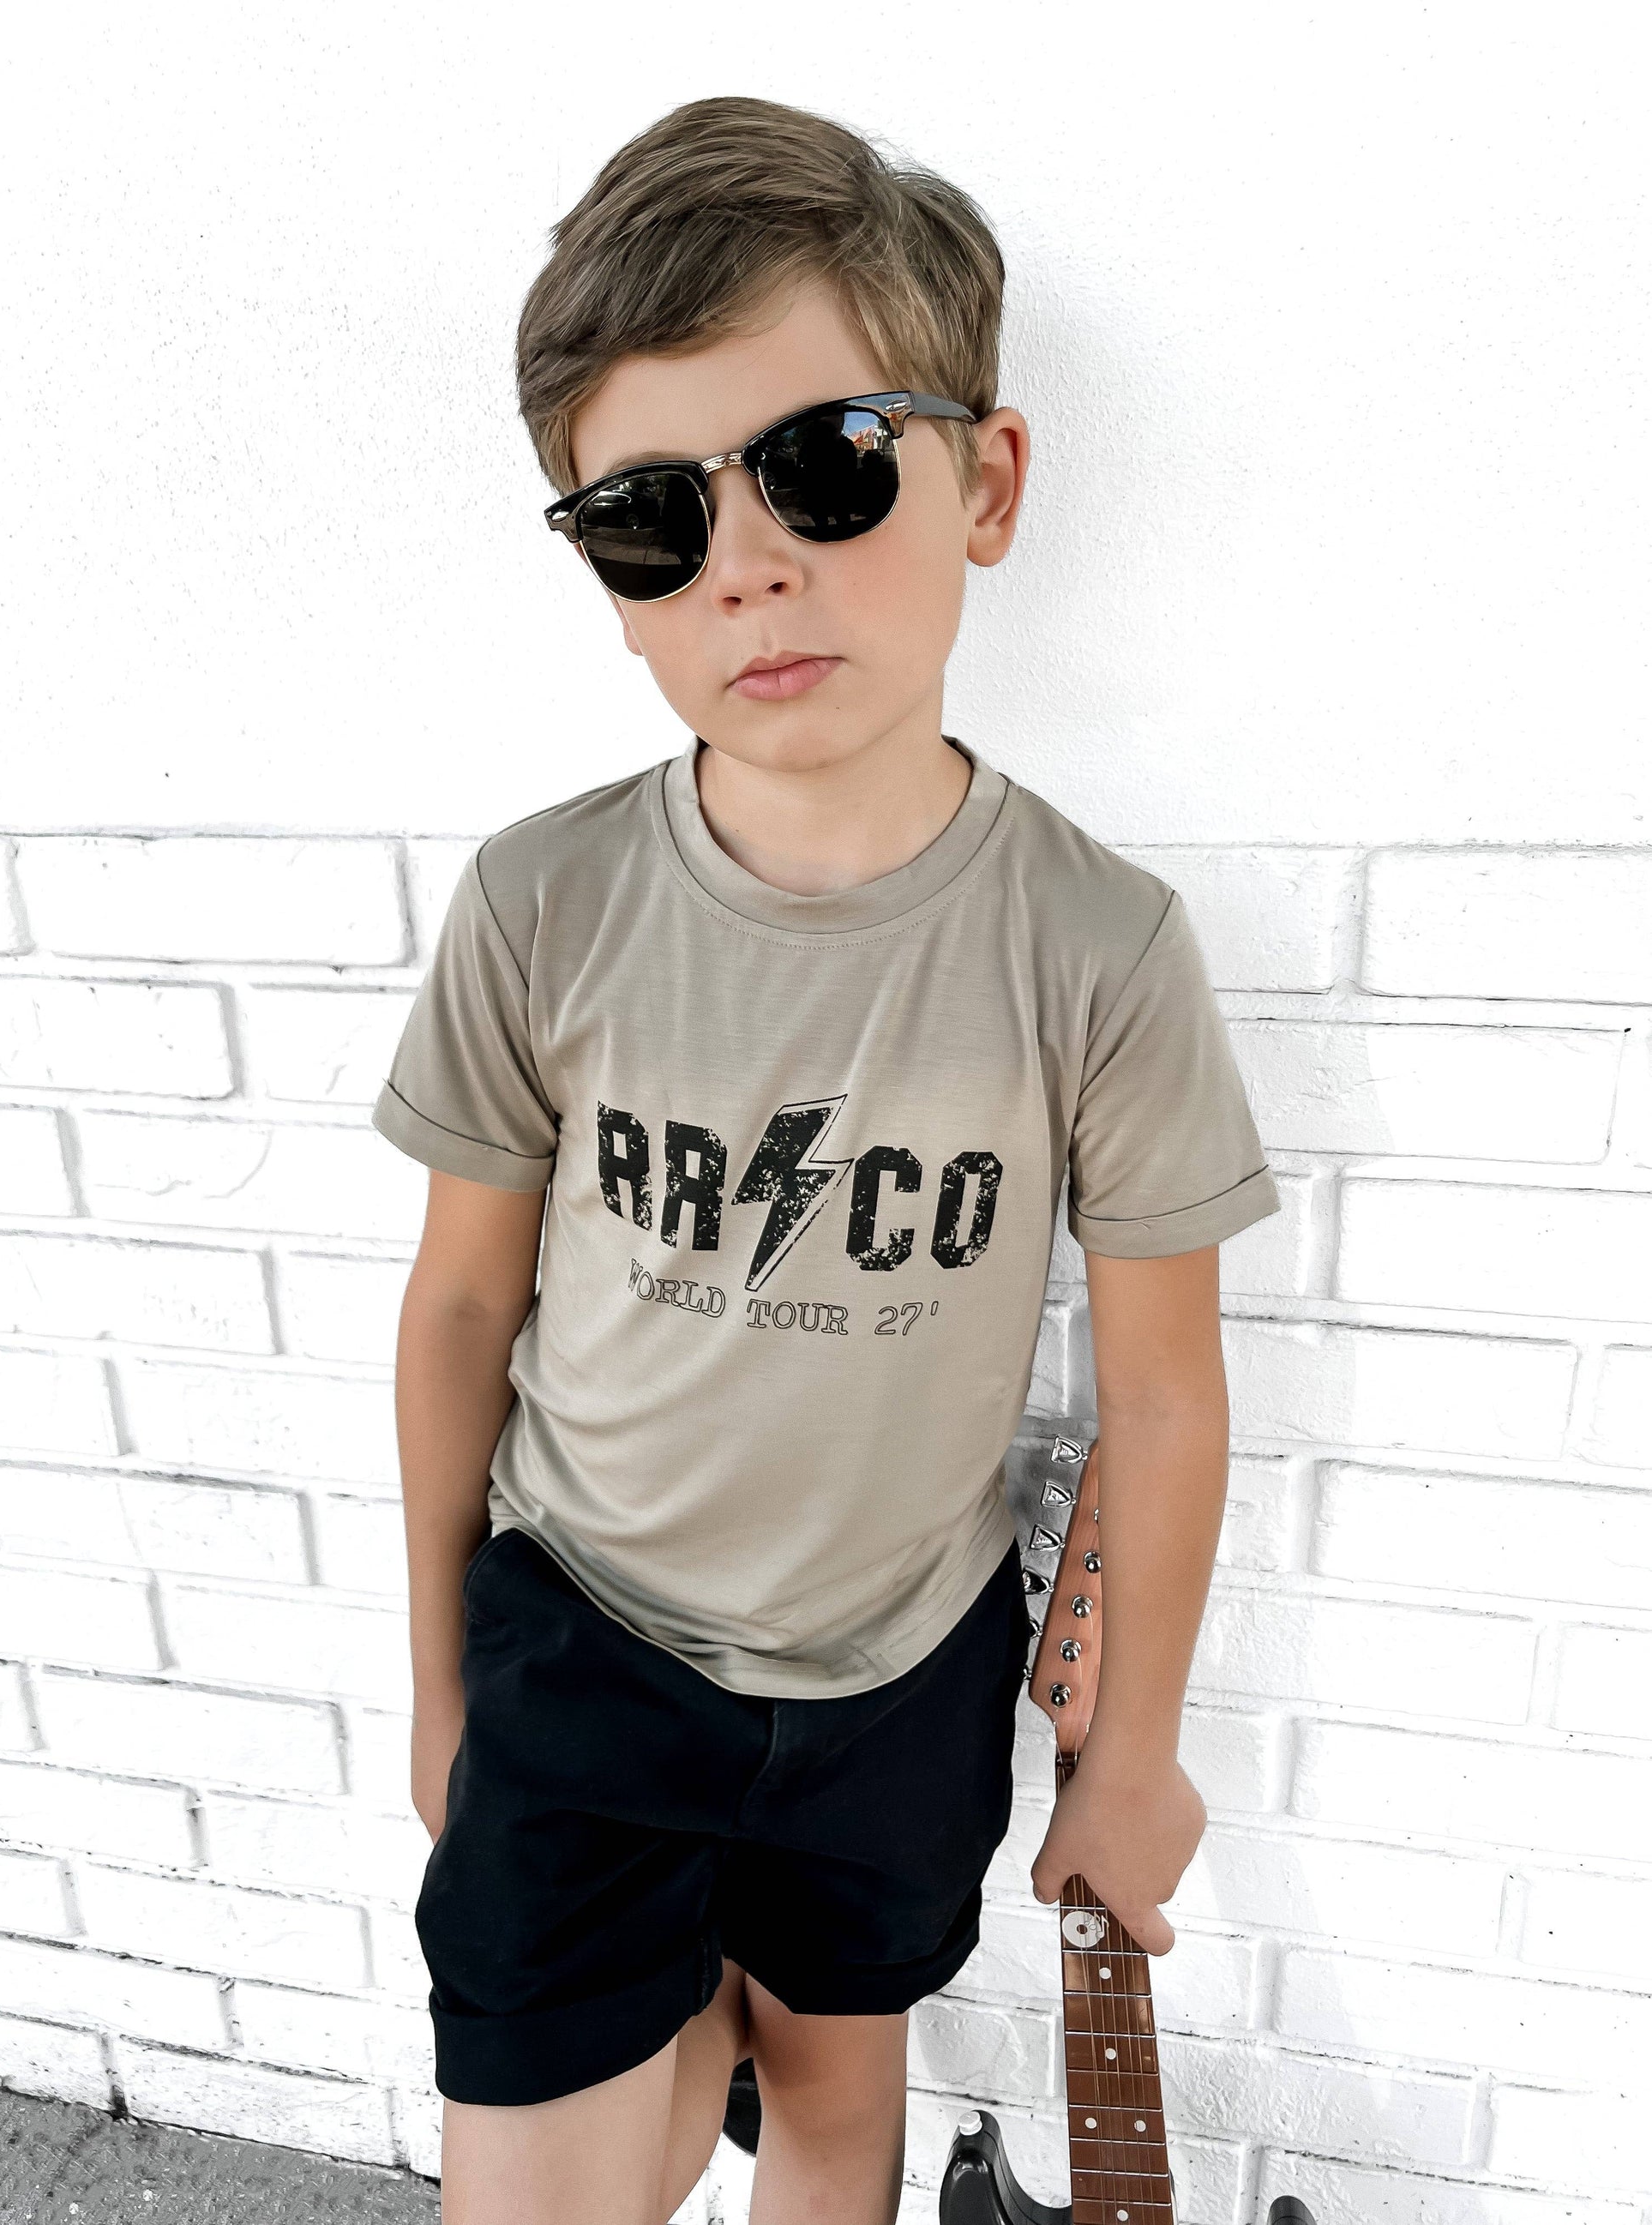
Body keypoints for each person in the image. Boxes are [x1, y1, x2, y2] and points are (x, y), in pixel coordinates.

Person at [370, 93, 1278, 2225]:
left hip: (901, 1671)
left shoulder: (1097, 947)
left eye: (827, 462)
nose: (750, 562)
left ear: (988, 480)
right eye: (649, 516)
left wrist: (1135, 1747)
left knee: (836, 2095)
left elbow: (1160, 1389)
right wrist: (437, 1682)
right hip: (586, 1645)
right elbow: (465, 1303)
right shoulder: (543, 903)